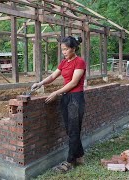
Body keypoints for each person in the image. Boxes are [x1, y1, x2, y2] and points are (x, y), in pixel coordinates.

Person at [31, 36, 86, 173]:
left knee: (73, 130)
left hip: (75, 99)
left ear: (73, 48)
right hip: (66, 98)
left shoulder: (80, 62)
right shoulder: (63, 63)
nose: (64, 52)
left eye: (66, 49)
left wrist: (56, 93)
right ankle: (80, 156)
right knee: (70, 130)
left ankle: (69, 161)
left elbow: (73, 83)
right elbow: (52, 76)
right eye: (62, 49)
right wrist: (40, 83)